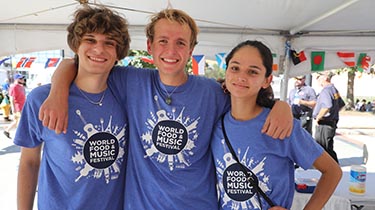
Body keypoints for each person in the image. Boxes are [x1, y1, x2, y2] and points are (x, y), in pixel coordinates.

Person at [39, 9, 293, 210]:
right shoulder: (130, 81)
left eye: (181, 43)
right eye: (163, 41)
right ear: (149, 46)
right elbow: (78, 61)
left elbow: (247, 99)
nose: (171, 51)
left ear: (192, 50)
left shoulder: (211, 92)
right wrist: (58, 91)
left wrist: (281, 106)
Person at [13, 5, 130, 210]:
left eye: (109, 43)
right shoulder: (41, 100)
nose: (99, 49)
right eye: (90, 40)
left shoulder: (128, 97)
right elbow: (29, 162)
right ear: (76, 45)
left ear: (118, 53)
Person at [211, 40, 342, 210]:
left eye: (252, 71)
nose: (241, 77)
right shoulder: (215, 123)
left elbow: (332, 172)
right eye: (235, 68)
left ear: (267, 80)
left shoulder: (281, 125)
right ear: (226, 72)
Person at [313, 71, 345, 163]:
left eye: (318, 77)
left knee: (323, 149)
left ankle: (332, 168)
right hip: (331, 122)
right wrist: (333, 113)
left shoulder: (326, 90)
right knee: (328, 147)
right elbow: (341, 104)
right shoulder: (334, 90)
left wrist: (319, 117)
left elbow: (327, 106)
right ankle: (333, 167)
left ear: (325, 78)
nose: (317, 80)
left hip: (324, 123)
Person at [3, 74, 26, 139]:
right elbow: (11, 98)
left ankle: (6, 130)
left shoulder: (21, 87)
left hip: (22, 106)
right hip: (17, 107)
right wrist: (13, 109)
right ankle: (19, 136)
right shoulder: (13, 87)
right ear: (16, 79)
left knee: (16, 121)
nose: (22, 80)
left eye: (22, 78)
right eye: (20, 78)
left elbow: (24, 97)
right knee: (20, 121)